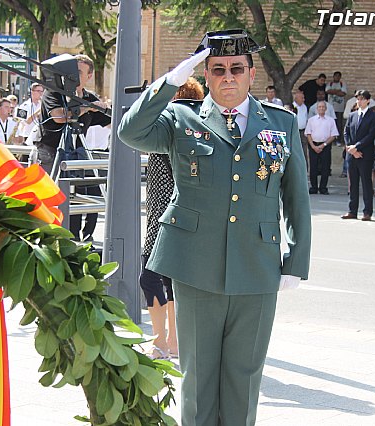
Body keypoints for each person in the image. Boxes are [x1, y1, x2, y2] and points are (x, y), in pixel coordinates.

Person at [118, 29, 311, 425]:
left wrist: (295, 261)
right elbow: (130, 132)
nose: (228, 76)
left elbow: (296, 200)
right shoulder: (180, 117)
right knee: (198, 378)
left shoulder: (280, 123)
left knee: (244, 378)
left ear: (251, 74)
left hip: (257, 267)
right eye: (218, 69)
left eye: (236, 69)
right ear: (206, 75)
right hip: (195, 265)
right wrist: (171, 80)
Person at [141, 77, 205, 361]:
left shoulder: (172, 129)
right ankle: (171, 342)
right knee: (169, 280)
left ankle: (161, 342)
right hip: (168, 212)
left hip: (165, 214)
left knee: (151, 277)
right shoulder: (181, 129)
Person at [40, 54, 111, 241]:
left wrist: (105, 107)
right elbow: (58, 116)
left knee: (78, 198)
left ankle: (76, 238)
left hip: (77, 155)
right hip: (51, 153)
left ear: (89, 76)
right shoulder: (54, 92)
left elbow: (110, 120)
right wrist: (88, 108)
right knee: (49, 198)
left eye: (79, 72)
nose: (73, 76)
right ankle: (48, 238)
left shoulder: (89, 97)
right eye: (72, 71)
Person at [342, 90, 375, 221]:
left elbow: (371, 135)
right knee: (353, 183)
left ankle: (367, 211)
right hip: (352, 154)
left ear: (368, 100)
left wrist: (357, 147)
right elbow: (346, 132)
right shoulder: (352, 115)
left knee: (366, 183)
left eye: (362, 99)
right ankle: (352, 210)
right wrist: (350, 148)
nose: (359, 101)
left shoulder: (373, 116)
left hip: (364, 154)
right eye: (358, 98)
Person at [305, 101, 339, 194]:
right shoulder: (311, 120)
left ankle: (323, 187)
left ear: (326, 109)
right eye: (319, 107)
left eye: (323, 107)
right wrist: (313, 146)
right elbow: (308, 134)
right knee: (313, 167)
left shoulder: (330, 120)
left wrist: (323, 145)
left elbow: (333, 135)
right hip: (313, 145)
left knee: (325, 167)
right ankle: (314, 187)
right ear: (316, 109)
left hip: (325, 146)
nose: (321, 109)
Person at [325, 71, 347, 145]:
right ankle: (331, 140)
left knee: (339, 125)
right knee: (330, 124)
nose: (337, 77)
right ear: (333, 76)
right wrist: (338, 91)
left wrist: (333, 91)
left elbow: (343, 93)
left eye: (338, 76)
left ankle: (339, 140)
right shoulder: (330, 84)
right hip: (330, 109)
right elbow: (327, 91)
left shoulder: (342, 84)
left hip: (339, 109)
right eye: (335, 76)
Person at [293, 90, 309, 173]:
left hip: (303, 131)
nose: (303, 99)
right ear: (296, 98)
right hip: (295, 131)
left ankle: (305, 170)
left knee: (304, 150)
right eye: (302, 98)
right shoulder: (292, 107)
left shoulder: (304, 107)